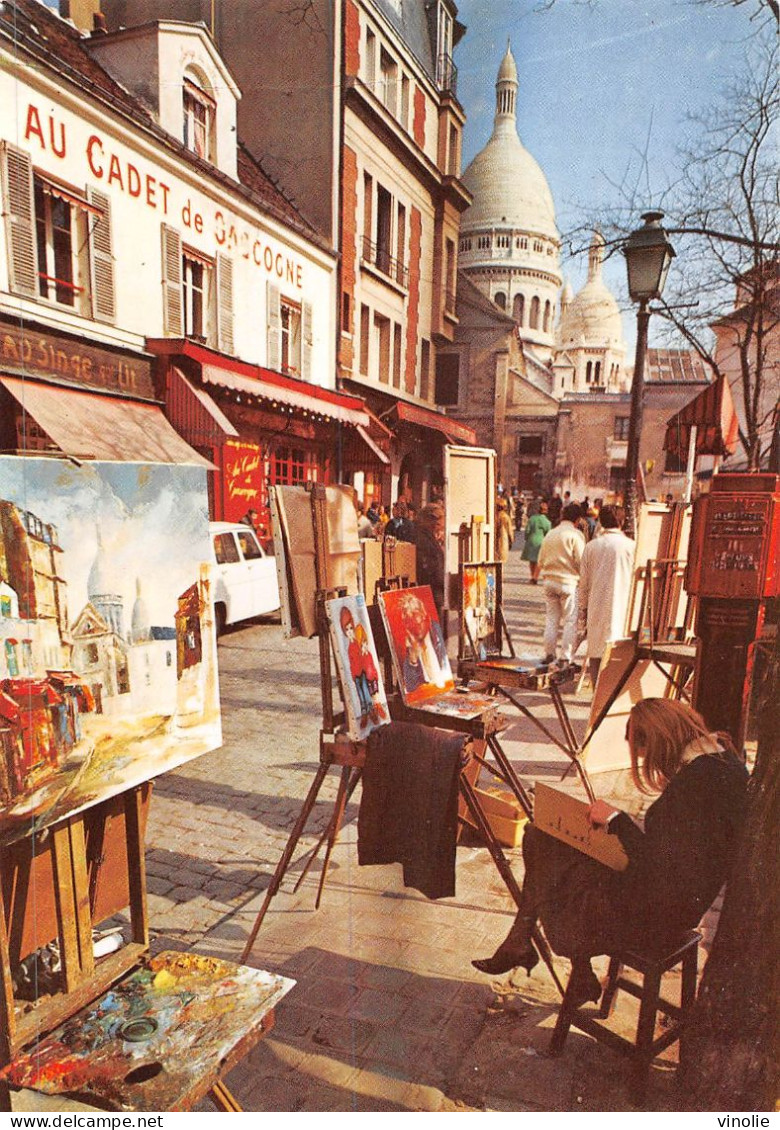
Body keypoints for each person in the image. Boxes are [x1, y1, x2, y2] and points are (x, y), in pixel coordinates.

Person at [472, 699, 749, 1007]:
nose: (650, 765)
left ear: (659, 741)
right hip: (675, 902)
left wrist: (617, 822)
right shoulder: (723, 762)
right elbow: (676, 854)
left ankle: (533, 946)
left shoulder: (693, 785)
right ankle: (543, 953)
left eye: (647, 755)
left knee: (546, 851)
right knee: (547, 841)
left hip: (658, 916)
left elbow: (654, 866)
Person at [578, 505, 636, 688]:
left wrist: (583, 611)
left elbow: (584, 585)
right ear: (623, 521)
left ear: (600, 522)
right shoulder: (632, 547)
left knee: (597, 655)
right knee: (622, 657)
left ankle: (598, 699)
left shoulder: (591, 547)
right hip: (626, 609)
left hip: (597, 607)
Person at [537, 502, 585, 664]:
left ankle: (549, 654)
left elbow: (541, 561)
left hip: (549, 581)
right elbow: (581, 561)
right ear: (577, 519)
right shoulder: (575, 535)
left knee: (551, 619)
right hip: (568, 582)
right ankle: (565, 657)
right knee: (570, 621)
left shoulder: (550, 533)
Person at [414, 502, 445, 617]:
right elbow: (430, 566)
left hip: (433, 591)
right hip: (431, 592)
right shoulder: (423, 538)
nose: (440, 525)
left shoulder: (426, 535)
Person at [521, 501, 550, 583]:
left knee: (531, 560)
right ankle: (535, 577)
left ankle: (532, 575)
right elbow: (548, 533)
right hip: (541, 541)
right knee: (538, 560)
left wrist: (527, 538)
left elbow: (527, 531)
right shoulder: (547, 522)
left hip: (531, 540)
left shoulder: (532, 519)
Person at [495, 497, 514, 564]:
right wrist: (511, 540)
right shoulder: (505, 517)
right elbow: (510, 530)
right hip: (503, 538)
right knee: (501, 560)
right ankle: (500, 573)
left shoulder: (495, 516)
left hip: (495, 539)